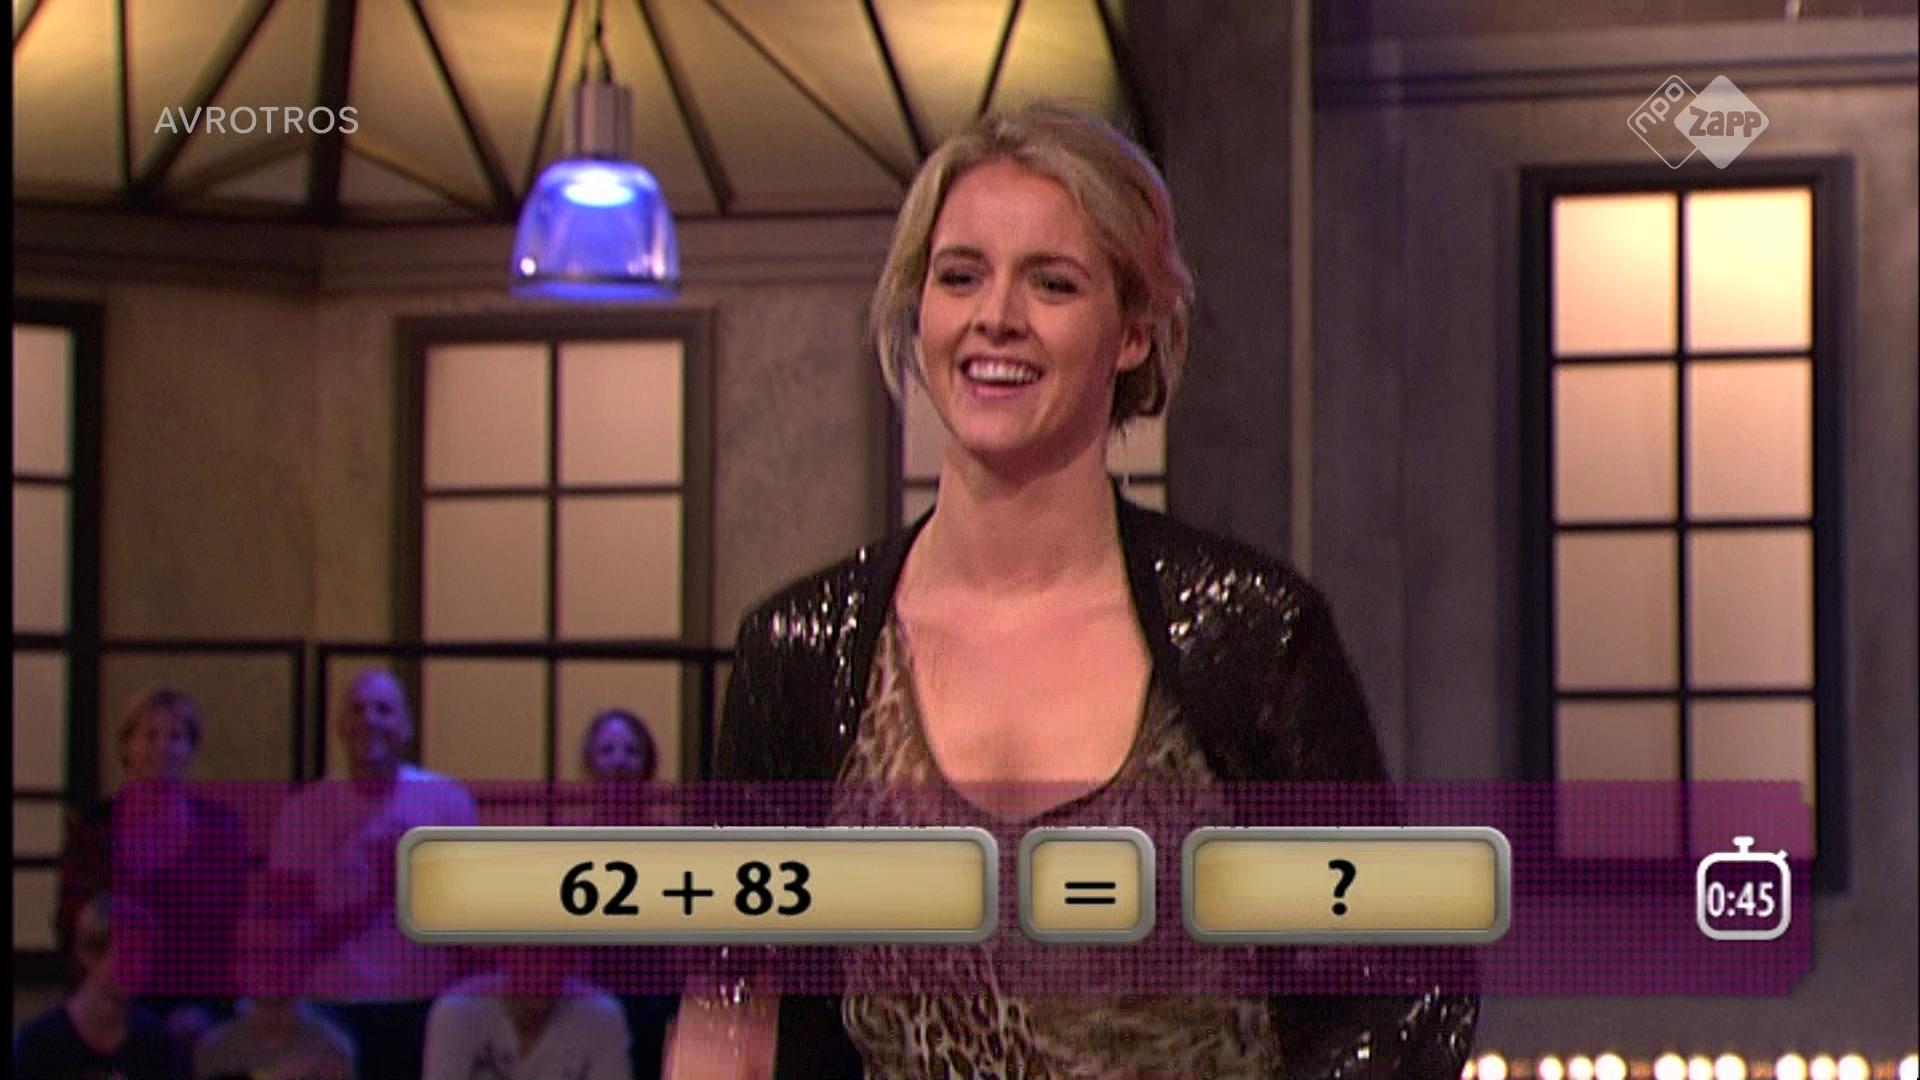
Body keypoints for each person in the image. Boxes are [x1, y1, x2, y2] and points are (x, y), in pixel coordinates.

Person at [665, 104, 1479, 1078]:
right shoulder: (803, 652)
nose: (995, 316)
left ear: (1132, 331)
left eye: (1051, 282)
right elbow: (729, 1003)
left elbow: (1400, 987)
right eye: (959, 275)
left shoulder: (1251, 636)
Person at [266, 666, 479, 1080]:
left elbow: (467, 924)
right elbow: (288, 932)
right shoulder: (303, 810)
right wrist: (381, 892)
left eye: (383, 709)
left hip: (425, 1003)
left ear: (406, 726)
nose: (369, 719)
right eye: (358, 708)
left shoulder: (448, 801)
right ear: (340, 725)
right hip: (330, 1006)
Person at [55, 685, 246, 1042]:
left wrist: (207, 1007)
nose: (162, 747)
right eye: (150, 735)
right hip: (109, 995)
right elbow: (71, 921)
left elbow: (232, 929)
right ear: (127, 745)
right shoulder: (94, 826)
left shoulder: (220, 826)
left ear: (191, 748)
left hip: (194, 1002)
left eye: (176, 736)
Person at [14, 892, 189, 1080]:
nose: (139, 966)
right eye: (128, 953)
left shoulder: (158, 1047)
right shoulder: (40, 1044)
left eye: (145, 955)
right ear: (88, 954)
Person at [193, 906, 358, 1080]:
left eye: (284, 954)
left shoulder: (331, 1049)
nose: (271, 967)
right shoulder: (215, 1049)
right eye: (260, 953)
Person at [421, 947, 632, 1080]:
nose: (546, 971)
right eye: (534, 955)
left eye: (559, 956)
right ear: (504, 952)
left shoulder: (602, 1017)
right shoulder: (457, 1013)